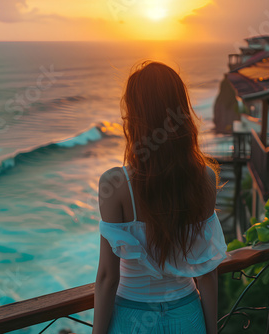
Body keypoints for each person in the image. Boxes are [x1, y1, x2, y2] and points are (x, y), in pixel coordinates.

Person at [92, 61, 228, 334]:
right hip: (186, 314)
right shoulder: (204, 178)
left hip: (132, 318)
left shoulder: (116, 183)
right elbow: (207, 270)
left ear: (135, 116)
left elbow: (108, 276)